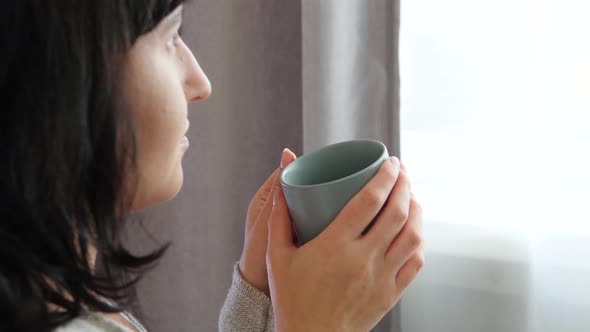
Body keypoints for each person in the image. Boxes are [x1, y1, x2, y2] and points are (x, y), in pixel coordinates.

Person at [0, 1, 424, 332]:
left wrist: (258, 304)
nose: (200, 82)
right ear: (61, 82)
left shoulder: (53, 300)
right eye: (170, 37)